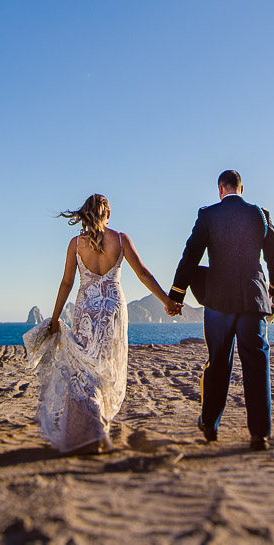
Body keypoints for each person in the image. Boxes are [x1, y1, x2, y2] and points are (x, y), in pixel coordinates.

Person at [23, 194, 180, 452]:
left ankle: (90, 433)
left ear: (85, 215)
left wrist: (54, 318)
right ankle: (97, 431)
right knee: (104, 368)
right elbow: (143, 273)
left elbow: (66, 283)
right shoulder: (120, 239)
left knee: (84, 369)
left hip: (85, 309)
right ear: (108, 215)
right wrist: (166, 301)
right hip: (112, 311)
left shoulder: (76, 244)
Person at [167, 170, 274, 450]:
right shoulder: (260, 214)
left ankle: (209, 424)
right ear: (241, 189)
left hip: (218, 302)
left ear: (221, 188)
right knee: (257, 366)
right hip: (253, 303)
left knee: (218, 363)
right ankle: (260, 435)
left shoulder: (208, 216)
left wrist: (177, 292)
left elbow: (191, 254)